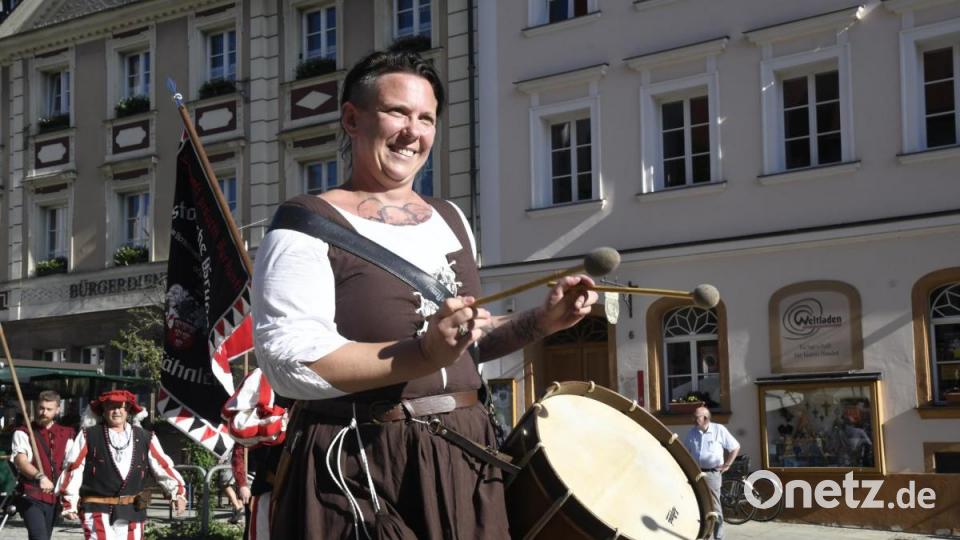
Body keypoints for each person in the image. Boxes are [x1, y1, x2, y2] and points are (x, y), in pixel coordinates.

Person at [252, 46, 598, 539]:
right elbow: (289, 363)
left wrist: (540, 321)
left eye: (426, 118)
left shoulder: (452, 218)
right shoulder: (305, 223)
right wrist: (421, 353)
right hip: (357, 461)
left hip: (463, 454)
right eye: (397, 112)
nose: (413, 132)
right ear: (352, 118)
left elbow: (465, 345)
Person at [55, 390, 187, 539]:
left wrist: (177, 493)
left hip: (132, 510)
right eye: (111, 406)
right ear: (103, 410)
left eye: (121, 407)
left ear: (128, 410)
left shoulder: (145, 437)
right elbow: (74, 468)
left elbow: (162, 467)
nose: (116, 411)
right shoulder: (88, 435)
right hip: (96, 508)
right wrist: (69, 501)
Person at [10, 390, 75, 540]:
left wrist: (70, 500)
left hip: (53, 497)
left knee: (44, 537)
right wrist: (39, 476)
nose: (43, 412)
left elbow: (70, 467)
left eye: (49, 409)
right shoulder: (23, 432)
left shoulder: (66, 434)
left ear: (58, 409)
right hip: (30, 494)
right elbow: (21, 461)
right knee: (39, 537)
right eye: (41, 408)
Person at [683, 406, 740, 540]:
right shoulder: (692, 432)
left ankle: (719, 537)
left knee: (714, 507)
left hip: (712, 474)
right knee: (699, 505)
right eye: (694, 416)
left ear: (706, 418)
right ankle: (703, 535)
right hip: (696, 473)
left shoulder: (718, 430)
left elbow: (735, 447)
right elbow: (686, 452)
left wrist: (727, 464)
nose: (694, 419)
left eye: (697, 417)